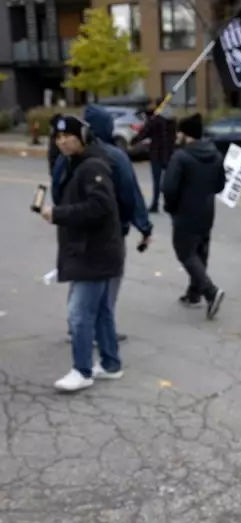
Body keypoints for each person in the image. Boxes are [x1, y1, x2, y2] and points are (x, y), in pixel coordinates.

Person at [52, 104, 154, 344]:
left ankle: (75, 325)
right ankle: (99, 332)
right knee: (107, 279)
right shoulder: (114, 156)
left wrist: (66, 214)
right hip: (109, 230)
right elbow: (130, 194)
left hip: (74, 228)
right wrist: (143, 226)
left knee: (81, 277)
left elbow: (57, 191)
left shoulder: (66, 157)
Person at [41, 115, 125, 392]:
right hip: (93, 250)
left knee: (79, 314)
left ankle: (82, 370)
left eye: (69, 136)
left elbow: (99, 207)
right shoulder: (76, 164)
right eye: (59, 137)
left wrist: (58, 214)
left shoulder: (92, 166)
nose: (63, 141)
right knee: (101, 312)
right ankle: (111, 364)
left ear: (83, 137)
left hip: (94, 253)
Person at [162, 113, 227, 320]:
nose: (177, 136)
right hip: (207, 211)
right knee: (200, 252)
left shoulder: (180, 157)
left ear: (186, 134)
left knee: (186, 253)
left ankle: (210, 291)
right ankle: (194, 294)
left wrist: (170, 207)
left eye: (179, 132)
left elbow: (169, 188)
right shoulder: (215, 154)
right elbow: (220, 185)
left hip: (185, 212)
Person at [130, 97, 177, 213]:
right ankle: (169, 203)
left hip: (156, 153)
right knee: (169, 179)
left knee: (156, 180)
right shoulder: (172, 120)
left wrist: (133, 141)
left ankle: (155, 204)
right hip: (169, 153)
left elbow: (145, 132)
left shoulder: (155, 120)